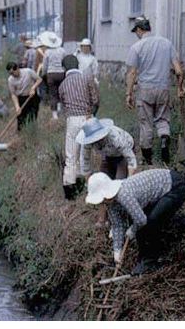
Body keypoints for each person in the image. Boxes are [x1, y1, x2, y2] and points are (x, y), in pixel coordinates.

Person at [85, 169, 185, 275]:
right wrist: (117, 250)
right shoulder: (110, 203)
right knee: (140, 223)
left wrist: (132, 231)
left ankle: (150, 262)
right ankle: (143, 257)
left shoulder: (124, 194)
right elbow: (117, 225)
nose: (101, 203)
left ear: (106, 194)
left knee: (150, 223)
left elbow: (141, 220)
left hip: (175, 187)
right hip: (161, 192)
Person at [125, 16, 185, 165]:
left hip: (145, 89)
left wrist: (129, 94)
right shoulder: (166, 43)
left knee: (146, 124)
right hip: (163, 88)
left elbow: (132, 72)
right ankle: (164, 139)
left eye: (136, 32)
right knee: (162, 119)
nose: (136, 35)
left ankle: (148, 160)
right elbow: (178, 70)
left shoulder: (137, 47)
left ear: (140, 30)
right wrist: (180, 87)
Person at [77, 117, 138, 227]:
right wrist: (90, 185)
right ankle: (102, 220)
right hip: (108, 155)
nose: (96, 142)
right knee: (100, 184)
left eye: (98, 139)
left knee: (118, 186)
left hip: (123, 155)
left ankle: (121, 220)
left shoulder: (116, 137)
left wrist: (128, 180)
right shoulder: (87, 141)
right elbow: (85, 162)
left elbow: (131, 160)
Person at [59, 54, 100, 200]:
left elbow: (63, 105)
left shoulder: (63, 85)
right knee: (86, 155)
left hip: (72, 119)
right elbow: (96, 99)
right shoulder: (86, 78)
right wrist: (91, 113)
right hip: (88, 117)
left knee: (71, 156)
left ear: (64, 68)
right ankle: (88, 186)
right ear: (77, 65)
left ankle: (70, 190)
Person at [6, 61, 42, 131]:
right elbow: (13, 94)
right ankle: (21, 134)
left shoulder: (28, 72)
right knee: (20, 118)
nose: (12, 75)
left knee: (32, 116)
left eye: (13, 72)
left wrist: (33, 88)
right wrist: (17, 106)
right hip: (21, 98)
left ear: (17, 69)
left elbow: (39, 80)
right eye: (10, 73)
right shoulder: (10, 80)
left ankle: (32, 132)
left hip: (32, 97)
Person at [40, 31, 66, 120]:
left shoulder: (47, 52)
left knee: (53, 93)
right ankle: (60, 108)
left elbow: (45, 64)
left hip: (51, 74)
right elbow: (64, 62)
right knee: (61, 92)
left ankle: (54, 115)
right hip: (61, 73)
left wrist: (43, 74)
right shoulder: (62, 50)